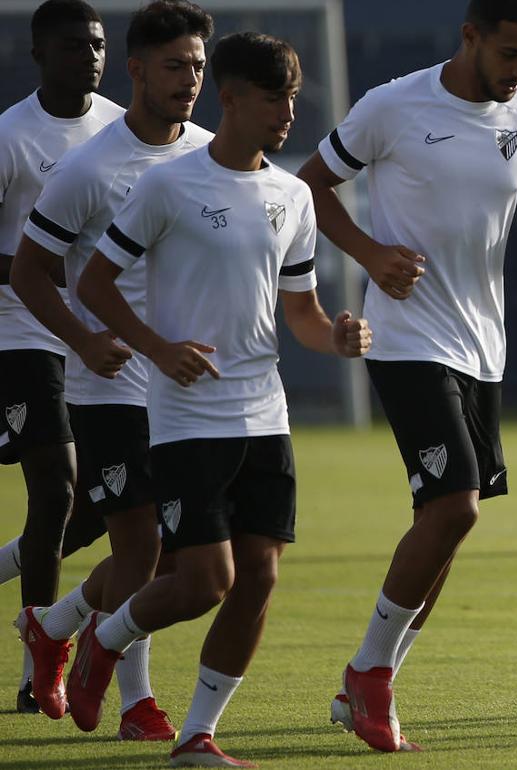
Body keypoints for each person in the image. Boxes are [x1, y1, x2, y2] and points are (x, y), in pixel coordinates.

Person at [297, 0, 517, 752]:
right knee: (456, 507)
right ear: (470, 37)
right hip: (407, 336)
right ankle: (369, 677)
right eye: (510, 53)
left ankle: (372, 678)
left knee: (442, 525)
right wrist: (369, 253)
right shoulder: (393, 104)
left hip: (483, 346)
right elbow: (307, 186)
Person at [63, 31, 371, 768]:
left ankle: (198, 736)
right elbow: (94, 283)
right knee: (205, 581)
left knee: (258, 577)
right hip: (184, 419)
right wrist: (156, 347)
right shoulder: (167, 186)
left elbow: (300, 311)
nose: (288, 113)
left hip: (265, 413)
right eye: (273, 98)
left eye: (294, 99)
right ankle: (102, 641)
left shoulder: (293, 195)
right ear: (230, 97)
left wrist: (338, 338)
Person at [11, 0, 215, 740]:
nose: (189, 80)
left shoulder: (211, 154)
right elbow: (34, 272)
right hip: (108, 383)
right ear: (137, 70)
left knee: (171, 558)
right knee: (141, 549)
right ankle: (137, 702)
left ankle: (54, 624)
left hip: (185, 389)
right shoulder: (88, 166)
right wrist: (83, 339)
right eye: (174, 66)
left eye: (197, 66)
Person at [0, 0, 123, 713]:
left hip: (107, 336)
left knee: (108, 506)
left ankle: (15, 566)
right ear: (40, 52)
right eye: (76, 45)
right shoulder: (12, 136)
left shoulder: (119, 130)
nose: (91, 56)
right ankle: (35, 666)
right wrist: (43, 264)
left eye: (99, 45)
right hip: (23, 333)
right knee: (55, 488)